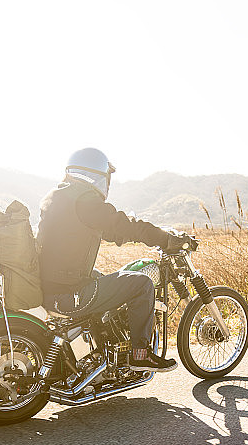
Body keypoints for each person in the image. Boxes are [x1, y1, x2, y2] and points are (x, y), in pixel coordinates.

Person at [37, 148, 188, 372]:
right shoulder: (85, 200)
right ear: (99, 175)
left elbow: (109, 230)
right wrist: (164, 239)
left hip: (50, 286)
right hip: (68, 293)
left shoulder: (58, 196)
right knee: (142, 284)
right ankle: (140, 354)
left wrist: (127, 234)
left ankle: (104, 349)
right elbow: (122, 225)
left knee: (104, 277)